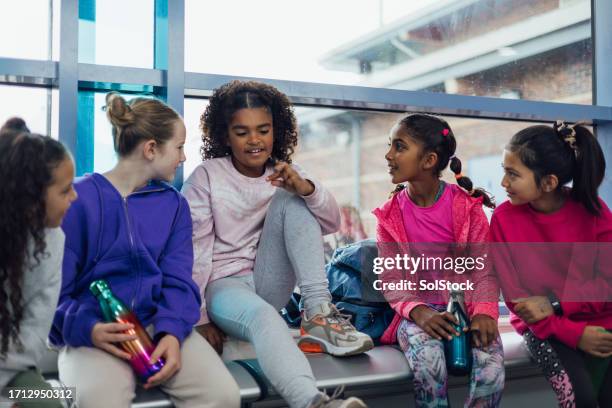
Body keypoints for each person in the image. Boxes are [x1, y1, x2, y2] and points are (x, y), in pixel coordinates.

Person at [182, 80, 371, 408]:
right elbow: (193, 251)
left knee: (294, 196)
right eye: (242, 132)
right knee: (265, 317)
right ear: (225, 136)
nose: (254, 140)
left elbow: (330, 224)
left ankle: (317, 312)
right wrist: (198, 317)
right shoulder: (207, 176)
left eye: (263, 130)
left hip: (269, 280)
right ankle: (315, 403)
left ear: (276, 131)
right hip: (225, 287)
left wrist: (306, 188)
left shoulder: (286, 173)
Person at [49, 93, 240, 408]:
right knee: (99, 401)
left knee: (223, 396)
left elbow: (179, 280)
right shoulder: (77, 200)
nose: (183, 158)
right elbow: (53, 289)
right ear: (151, 148)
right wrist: (89, 329)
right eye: (179, 147)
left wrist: (172, 334)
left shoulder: (174, 205)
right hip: (96, 331)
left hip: (157, 323)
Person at [373, 113, 504, 407]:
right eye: (390, 145)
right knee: (430, 367)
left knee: (491, 370)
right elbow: (391, 279)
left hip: (466, 310)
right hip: (417, 314)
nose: (388, 154)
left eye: (399, 147)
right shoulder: (388, 216)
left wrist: (484, 311)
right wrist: (418, 312)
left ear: (429, 160)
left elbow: (484, 269)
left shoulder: (468, 208)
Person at [491, 121, 612, 407]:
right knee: (580, 399)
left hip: (603, 324)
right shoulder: (503, 220)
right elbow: (520, 304)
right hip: (545, 330)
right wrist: (574, 333)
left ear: (549, 182)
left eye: (512, 174)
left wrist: (555, 303)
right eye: (504, 171)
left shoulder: (593, 212)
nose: (503, 183)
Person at [0, 118, 77, 408]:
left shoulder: (53, 241)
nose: (74, 196)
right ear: (31, 198)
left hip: (15, 372)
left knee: (50, 403)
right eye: (65, 190)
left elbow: (33, 336)